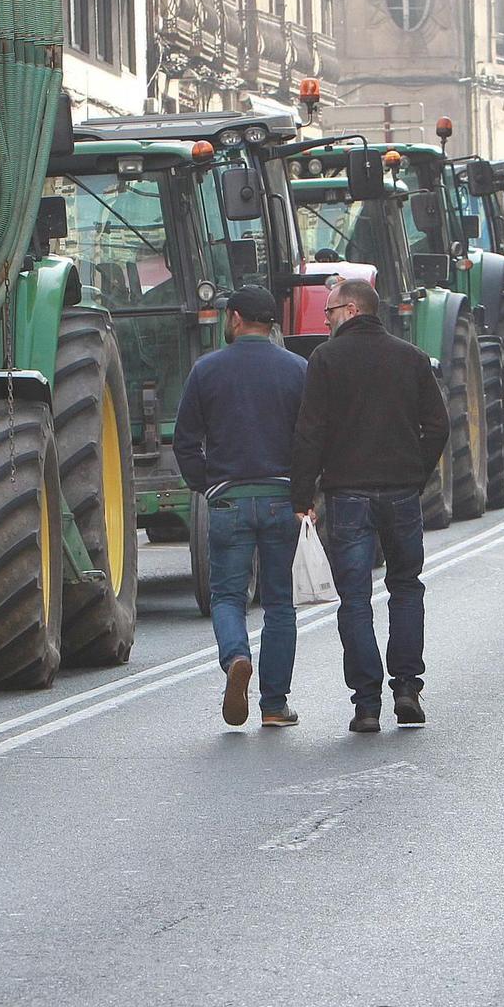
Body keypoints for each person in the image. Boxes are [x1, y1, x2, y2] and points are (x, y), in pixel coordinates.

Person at [290, 277, 447, 733]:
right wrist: (416, 473)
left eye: (331, 310)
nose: (326, 319)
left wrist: (303, 495)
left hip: (348, 495)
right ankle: (407, 689)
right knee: (406, 586)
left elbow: (310, 432)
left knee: (355, 598)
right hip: (401, 491)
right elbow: (437, 426)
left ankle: (366, 704)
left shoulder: (326, 359)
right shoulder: (411, 358)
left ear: (352, 311)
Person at [174, 285, 311, 728]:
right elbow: (311, 440)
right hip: (281, 498)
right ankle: (274, 705)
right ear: (271, 323)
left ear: (234, 318)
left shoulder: (206, 370)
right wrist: (305, 494)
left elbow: (185, 441)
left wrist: (206, 485)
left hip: (228, 499)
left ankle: (236, 658)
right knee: (279, 603)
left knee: (229, 596)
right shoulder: (297, 370)